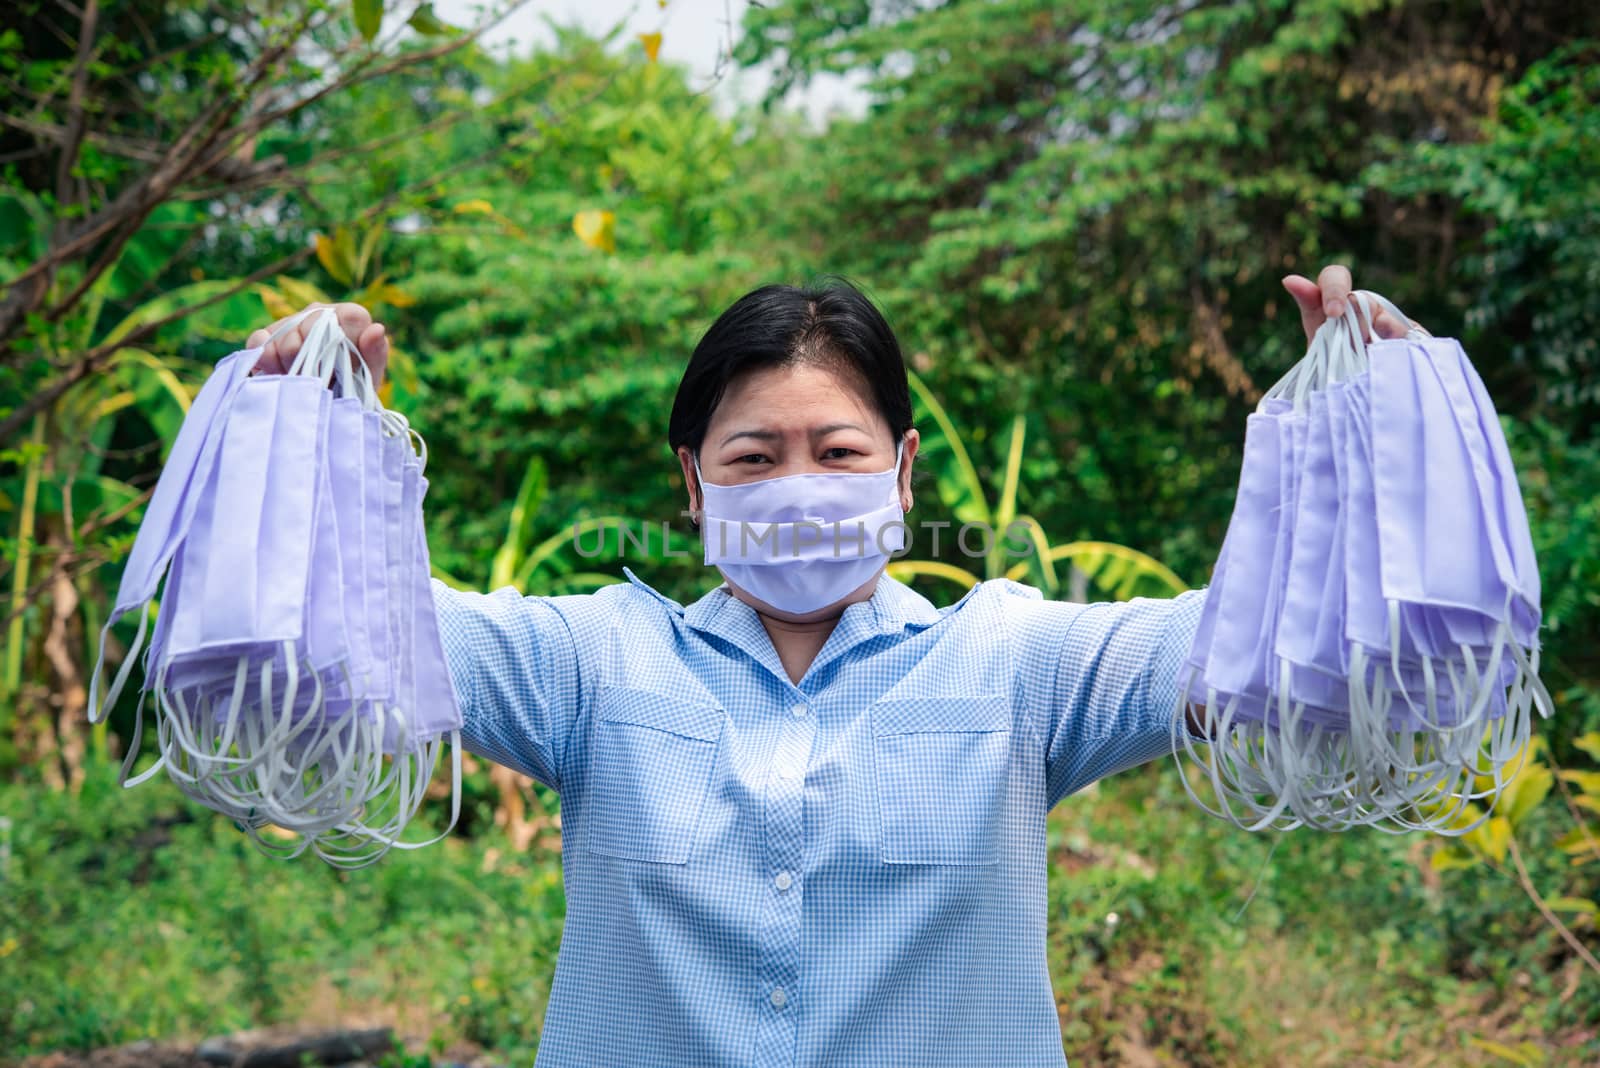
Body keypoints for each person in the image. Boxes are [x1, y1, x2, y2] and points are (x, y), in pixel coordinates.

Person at [245, 266, 1417, 1068]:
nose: (798, 482)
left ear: (901, 472)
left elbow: (1246, 642)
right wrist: (309, 428)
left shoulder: (1016, 660)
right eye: (753, 455)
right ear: (695, 485)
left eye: (838, 450)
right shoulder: (589, 662)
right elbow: (368, 627)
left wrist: (1366, 436)